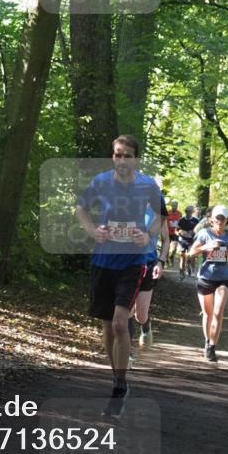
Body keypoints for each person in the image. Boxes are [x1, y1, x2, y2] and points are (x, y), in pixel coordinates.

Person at [76, 135, 163, 417]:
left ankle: (119, 385)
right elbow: (80, 208)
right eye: (117, 154)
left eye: (127, 155)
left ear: (136, 158)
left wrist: (146, 235)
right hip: (103, 259)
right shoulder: (101, 182)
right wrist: (93, 231)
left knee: (119, 324)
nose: (121, 160)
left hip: (133, 262)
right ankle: (119, 380)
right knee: (106, 327)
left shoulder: (147, 184)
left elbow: (160, 217)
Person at [189, 205, 228, 362]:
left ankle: (212, 347)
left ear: (226, 220)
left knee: (218, 312)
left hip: (224, 276)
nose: (220, 221)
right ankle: (207, 340)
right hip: (206, 277)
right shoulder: (204, 234)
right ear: (211, 220)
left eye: (223, 218)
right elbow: (191, 252)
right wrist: (208, 246)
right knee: (208, 314)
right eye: (217, 218)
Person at [132, 196, 170, 348]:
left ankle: (145, 324)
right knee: (125, 310)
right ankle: (126, 354)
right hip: (127, 264)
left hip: (148, 263)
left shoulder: (157, 212)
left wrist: (160, 262)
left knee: (139, 315)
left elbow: (166, 239)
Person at [176, 205, 199, 280]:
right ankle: (181, 273)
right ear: (185, 211)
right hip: (182, 241)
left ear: (192, 212)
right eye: (187, 211)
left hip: (191, 241)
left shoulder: (196, 220)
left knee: (191, 256)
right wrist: (180, 232)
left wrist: (193, 233)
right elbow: (176, 230)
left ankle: (190, 268)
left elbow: (199, 231)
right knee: (182, 256)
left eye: (189, 211)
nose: (188, 213)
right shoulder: (181, 220)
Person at [165, 201, 182, 265]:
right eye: (173, 206)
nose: (174, 207)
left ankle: (172, 256)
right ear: (171, 206)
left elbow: (181, 223)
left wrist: (179, 229)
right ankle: (166, 259)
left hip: (175, 232)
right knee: (166, 246)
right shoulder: (168, 213)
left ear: (177, 206)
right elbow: (164, 222)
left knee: (174, 247)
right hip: (168, 232)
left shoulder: (179, 213)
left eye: (176, 206)